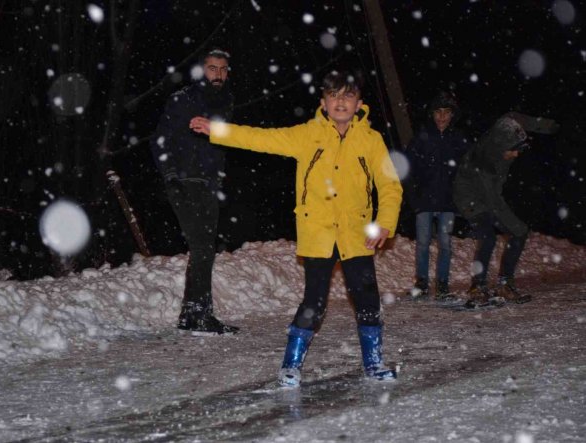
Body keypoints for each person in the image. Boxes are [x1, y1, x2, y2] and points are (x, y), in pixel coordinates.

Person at [189, 71, 403, 385]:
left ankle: (373, 363)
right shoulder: (308, 135)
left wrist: (385, 222)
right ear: (323, 103)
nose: (340, 102)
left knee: (367, 299)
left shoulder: (371, 140)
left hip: (358, 236)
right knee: (314, 303)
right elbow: (260, 138)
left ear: (359, 104)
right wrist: (218, 130)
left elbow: (389, 185)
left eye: (347, 96)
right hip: (318, 234)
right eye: (333, 96)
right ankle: (291, 365)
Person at [150, 49, 239, 335]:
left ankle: (191, 314)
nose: (219, 74)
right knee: (202, 247)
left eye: (223, 69)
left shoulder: (225, 102)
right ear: (202, 71)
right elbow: (160, 139)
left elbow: (221, 144)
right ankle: (199, 314)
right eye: (213, 68)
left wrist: (218, 175)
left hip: (209, 183)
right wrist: (172, 175)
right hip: (185, 181)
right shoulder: (183, 100)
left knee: (205, 248)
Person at [453, 113, 532, 308]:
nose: (516, 155)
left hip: (486, 197)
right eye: (514, 150)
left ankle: (505, 283)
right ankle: (477, 287)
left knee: (519, 233)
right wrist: (516, 225)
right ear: (502, 146)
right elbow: (493, 200)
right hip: (469, 199)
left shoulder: (499, 151)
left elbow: (513, 118)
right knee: (489, 236)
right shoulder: (484, 160)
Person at [405, 91, 468, 299]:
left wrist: (461, 198)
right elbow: (409, 169)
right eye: (438, 112)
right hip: (424, 200)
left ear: (452, 115)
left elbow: (464, 172)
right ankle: (422, 283)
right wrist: (413, 198)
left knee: (445, 244)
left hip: (448, 202)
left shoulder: (457, 139)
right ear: (432, 114)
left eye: (446, 112)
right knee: (423, 243)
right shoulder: (422, 137)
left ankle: (442, 283)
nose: (442, 116)